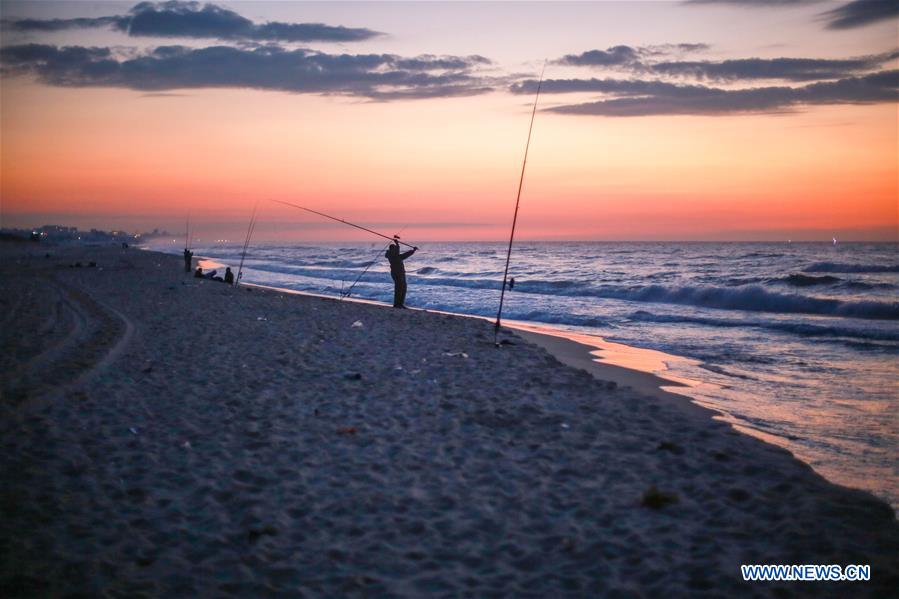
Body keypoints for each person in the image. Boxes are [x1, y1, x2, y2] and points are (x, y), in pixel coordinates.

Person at [385, 239, 417, 308]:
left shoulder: (397, 256)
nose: (395, 250)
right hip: (397, 273)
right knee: (399, 288)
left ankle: (400, 304)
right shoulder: (391, 255)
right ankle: (397, 304)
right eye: (394, 249)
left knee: (403, 288)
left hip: (401, 273)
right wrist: (397, 244)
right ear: (391, 250)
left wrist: (413, 251)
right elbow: (396, 252)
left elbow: (405, 255)